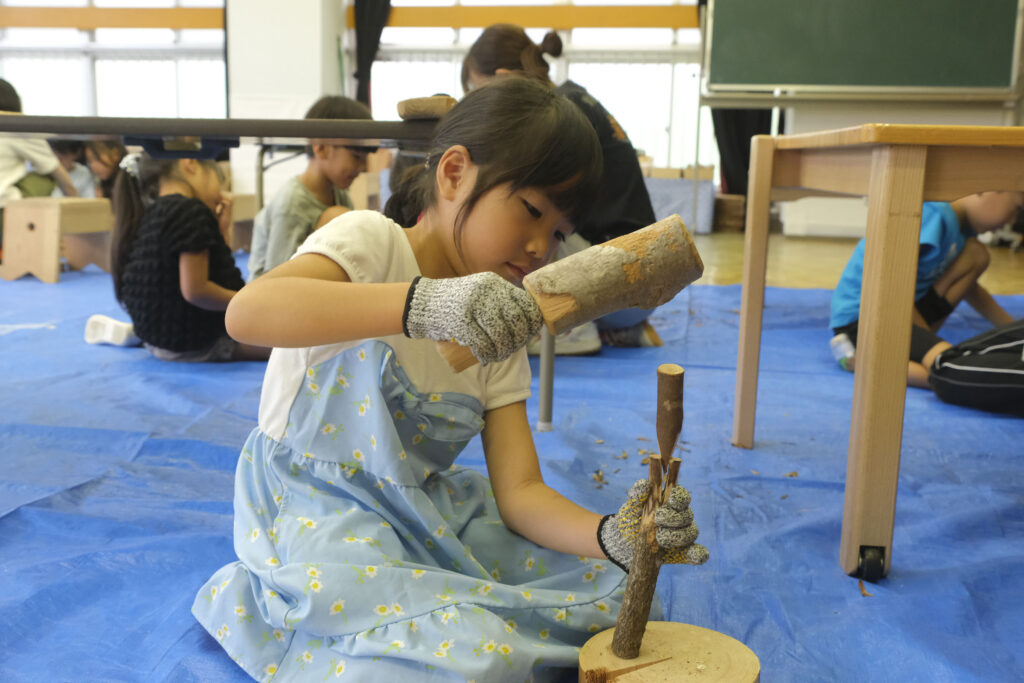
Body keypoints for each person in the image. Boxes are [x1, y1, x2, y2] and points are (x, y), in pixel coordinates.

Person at [192, 78, 707, 681]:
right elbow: (248, 313)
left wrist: (617, 538)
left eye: (561, 232)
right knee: (455, 653)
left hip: (423, 510)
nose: (542, 246)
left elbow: (520, 493)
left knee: (610, 595)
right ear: (455, 173)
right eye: (533, 211)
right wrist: (423, 305)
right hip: (319, 508)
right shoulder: (372, 243)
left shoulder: (504, 327)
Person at [460, 24, 661, 354]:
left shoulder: (555, 118)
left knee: (528, 217)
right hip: (641, 286)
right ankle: (611, 328)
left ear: (503, 78)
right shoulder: (572, 99)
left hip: (625, 286)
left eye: (479, 93)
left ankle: (571, 329)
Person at [85, 153, 270, 361]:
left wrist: (221, 230)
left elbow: (212, 269)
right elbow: (196, 291)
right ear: (190, 163)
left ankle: (137, 335)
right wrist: (247, 302)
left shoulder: (154, 211)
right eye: (219, 180)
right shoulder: (189, 209)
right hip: (198, 342)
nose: (220, 193)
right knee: (292, 344)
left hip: (156, 339)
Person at [829, 192, 1023, 388]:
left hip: (904, 308)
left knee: (976, 254)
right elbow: (893, 284)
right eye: (1016, 209)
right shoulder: (935, 215)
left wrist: (1012, 329)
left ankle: (912, 350)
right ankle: (861, 361)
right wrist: (931, 342)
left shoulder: (963, 230)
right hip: (866, 317)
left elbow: (970, 289)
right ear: (986, 189)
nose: (1012, 221)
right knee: (948, 370)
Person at [247, 95, 374, 280]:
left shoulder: (340, 194)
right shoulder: (292, 204)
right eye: (356, 157)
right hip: (271, 297)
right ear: (321, 148)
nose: (363, 168)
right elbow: (276, 280)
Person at [0, 79, 79, 254]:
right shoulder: (17, 124)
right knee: (47, 174)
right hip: (4, 215)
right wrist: (79, 209)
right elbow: (59, 175)